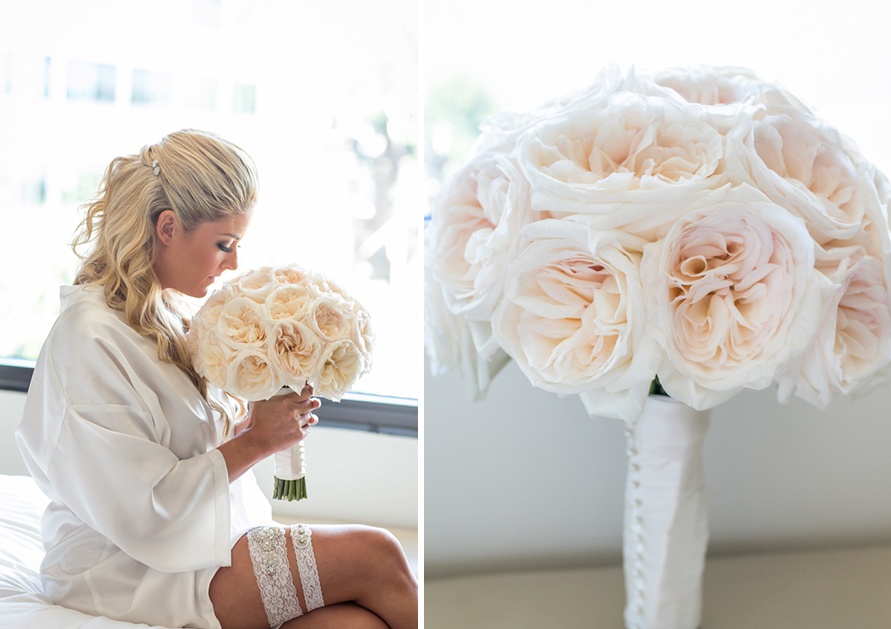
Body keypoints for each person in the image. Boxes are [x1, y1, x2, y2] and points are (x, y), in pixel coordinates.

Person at [15, 129, 418, 629]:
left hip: (203, 542)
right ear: (167, 227)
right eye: (223, 244)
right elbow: (140, 507)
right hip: (128, 571)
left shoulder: (167, 313)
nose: (234, 263)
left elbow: (181, 447)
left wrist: (258, 421)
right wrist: (257, 442)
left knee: (359, 625)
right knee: (378, 554)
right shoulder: (89, 339)